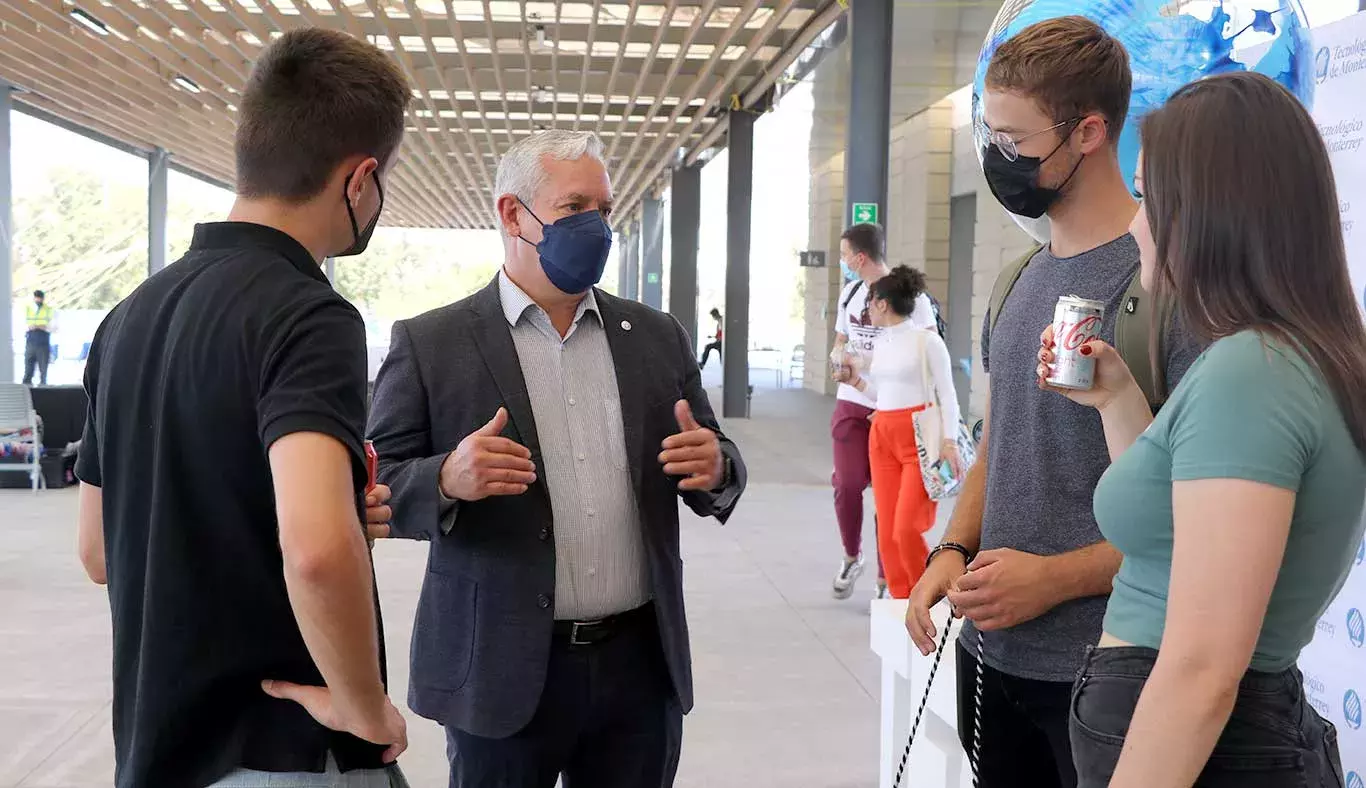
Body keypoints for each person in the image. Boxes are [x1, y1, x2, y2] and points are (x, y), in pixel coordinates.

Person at [73, 28, 410, 788]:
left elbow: (98, 551)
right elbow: (318, 551)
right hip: (278, 753)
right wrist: (363, 707)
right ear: (360, 181)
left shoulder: (127, 316)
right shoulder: (309, 316)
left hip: (161, 749)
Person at [367, 129, 748, 788]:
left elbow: (714, 458)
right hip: (503, 670)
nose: (597, 226)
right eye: (575, 209)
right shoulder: (433, 343)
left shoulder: (657, 337)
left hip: (639, 669)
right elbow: (374, 490)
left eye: (604, 208)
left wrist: (715, 466)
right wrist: (447, 478)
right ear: (513, 214)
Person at [1038, 72, 1361, 787]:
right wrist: (1118, 399)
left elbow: (1203, 669)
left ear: (1212, 212)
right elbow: (1180, 540)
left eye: (1151, 198)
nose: (1134, 223)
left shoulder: (1254, 374)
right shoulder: (1289, 359)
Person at [903, 17, 1199, 788]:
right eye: (988, 134)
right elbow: (997, 453)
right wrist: (951, 550)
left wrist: (1057, 578)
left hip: (1109, 669)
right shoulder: (1017, 280)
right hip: (989, 659)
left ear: (1090, 133)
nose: (995, 156)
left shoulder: (1171, 291)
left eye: (1013, 140)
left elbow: (1200, 517)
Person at [830, 223, 936, 600]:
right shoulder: (850, 294)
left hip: (894, 406)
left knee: (889, 499)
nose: (843, 261)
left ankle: (886, 575)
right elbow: (841, 340)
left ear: (860, 257)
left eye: (845, 255)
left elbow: (924, 351)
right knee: (847, 482)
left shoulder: (911, 297)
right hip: (853, 399)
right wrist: (839, 359)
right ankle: (850, 555)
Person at [844, 266, 961, 599]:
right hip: (881, 433)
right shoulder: (882, 344)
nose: (866, 310)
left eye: (869, 303)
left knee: (906, 528)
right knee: (887, 531)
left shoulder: (928, 341)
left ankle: (925, 594)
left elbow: (948, 394)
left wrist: (949, 440)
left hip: (917, 438)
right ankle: (899, 597)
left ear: (881, 303)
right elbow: (882, 395)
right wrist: (855, 382)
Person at [23, 289, 53, 386]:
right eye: (36, 298)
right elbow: (23, 325)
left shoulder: (48, 310)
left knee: (43, 372)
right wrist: (38, 326)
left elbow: (53, 327)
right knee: (28, 371)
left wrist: (38, 326)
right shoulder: (28, 309)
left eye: (39, 298)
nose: (38, 300)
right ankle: (27, 390)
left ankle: (43, 393)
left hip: (43, 343)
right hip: (30, 342)